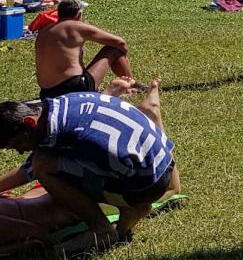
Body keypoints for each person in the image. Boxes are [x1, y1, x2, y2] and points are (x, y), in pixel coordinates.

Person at [0, 78, 176, 256]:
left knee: (44, 168)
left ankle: (103, 230)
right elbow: (29, 167)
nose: (20, 151)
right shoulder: (50, 108)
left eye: (18, 143)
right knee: (44, 164)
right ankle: (131, 210)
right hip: (159, 163)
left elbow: (35, 167)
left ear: (30, 122)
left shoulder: (77, 136)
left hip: (146, 183)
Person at [34, 0, 135, 99]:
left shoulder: (44, 31)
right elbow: (120, 42)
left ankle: (129, 85)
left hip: (46, 93)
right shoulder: (75, 26)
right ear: (79, 14)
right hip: (74, 88)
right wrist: (123, 55)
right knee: (114, 49)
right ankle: (132, 85)